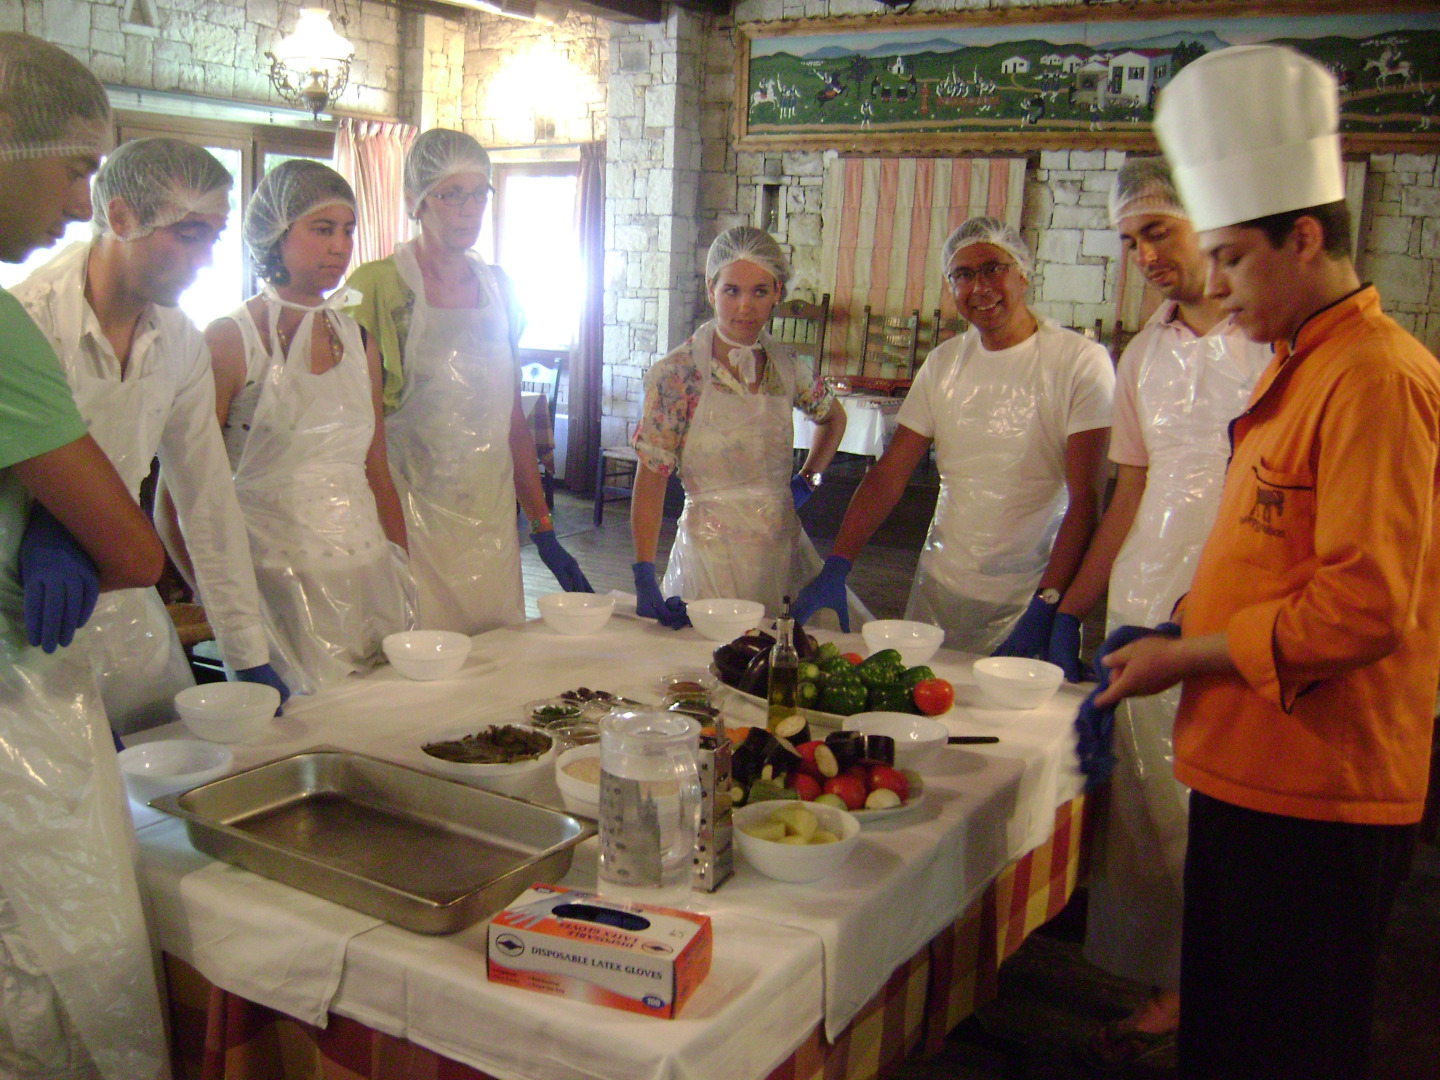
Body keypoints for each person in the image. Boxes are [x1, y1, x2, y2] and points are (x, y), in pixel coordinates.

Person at [1094, 46, 1440, 1080]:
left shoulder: (1375, 377)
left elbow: (1365, 607)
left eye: (1235, 258)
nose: (1221, 284)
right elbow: (1265, 550)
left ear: (1305, 236)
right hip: (1255, 766)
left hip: (1319, 788)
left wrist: (1192, 656)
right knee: (1234, 1036)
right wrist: (1174, 627)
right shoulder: (1303, 366)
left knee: (1283, 1046)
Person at [1054, 157, 1271, 1067]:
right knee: (1144, 796)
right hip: (1145, 590)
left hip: (1232, 595)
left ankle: (1223, 985)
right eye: (1131, 239)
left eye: (1159, 231)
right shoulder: (1141, 355)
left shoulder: (1272, 345)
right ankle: (1161, 975)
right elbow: (1129, 491)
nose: (1145, 253)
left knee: (1215, 796)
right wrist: (1073, 608)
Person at [0, 32, 172, 1078]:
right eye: (71, 167)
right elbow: (137, 547)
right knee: (69, 976)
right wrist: (75, 529)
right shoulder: (11, 332)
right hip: (16, 709)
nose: (75, 203)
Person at [13, 137, 288, 734]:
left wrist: (247, 652)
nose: (205, 258)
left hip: (126, 609)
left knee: (166, 789)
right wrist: (42, 534)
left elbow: (206, 499)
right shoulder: (29, 321)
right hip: (24, 611)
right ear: (120, 217)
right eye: (188, 235)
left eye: (213, 237)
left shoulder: (180, 344)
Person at [793, 217, 1114, 653]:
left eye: (992, 269)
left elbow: (1087, 500)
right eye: (963, 274)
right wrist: (838, 562)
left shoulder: (1078, 363)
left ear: (1022, 272)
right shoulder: (946, 364)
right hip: (941, 587)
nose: (979, 287)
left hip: (1030, 592)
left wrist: (1050, 603)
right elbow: (890, 474)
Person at [164, 160, 415, 696]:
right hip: (273, 591)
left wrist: (401, 569)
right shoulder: (232, 340)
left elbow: (375, 470)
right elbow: (177, 496)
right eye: (321, 229)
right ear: (275, 236)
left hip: (368, 581)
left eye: (348, 230)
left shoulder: (358, 340)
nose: (339, 246)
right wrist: (223, 606)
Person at [346, 129, 590, 635]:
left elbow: (512, 423)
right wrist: (394, 551)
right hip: (408, 518)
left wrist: (543, 527)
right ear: (414, 200)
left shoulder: (500, 288)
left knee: (495, 671)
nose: (468, 208)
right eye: (451, 193)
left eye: (479, 192)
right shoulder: (373, 288)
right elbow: (363, 439)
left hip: (490, 524)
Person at [628, 225, 861, 629]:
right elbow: (651, 478)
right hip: (708, 558)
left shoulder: (787, 367)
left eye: (759, 291)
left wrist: (809, 479)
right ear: (710, 289)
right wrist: (643, 572)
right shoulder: (678, 375)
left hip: (779, 551)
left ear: (777, 292)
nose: (745, 307)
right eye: (732, 290)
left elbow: (833, 417)